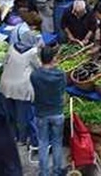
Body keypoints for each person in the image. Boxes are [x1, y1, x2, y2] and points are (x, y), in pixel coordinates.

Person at [30, 46, 67, 176]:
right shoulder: (60, 74)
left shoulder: (34, 75)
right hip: (57, 112)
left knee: (43, 143)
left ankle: (44, 172)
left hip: (41, 113)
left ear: (41, 59)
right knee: (57, 142)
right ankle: (57, 171)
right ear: (53, 58)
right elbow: (63, 95)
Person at [0, 29, 40, 146]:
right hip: (21, 87)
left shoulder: (11, 47)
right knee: (22, 116)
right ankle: (22, 139)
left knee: (10, 114)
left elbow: (5, 62)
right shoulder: (32, 52)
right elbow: (38, 66)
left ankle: (12, 136)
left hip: (5, 84)